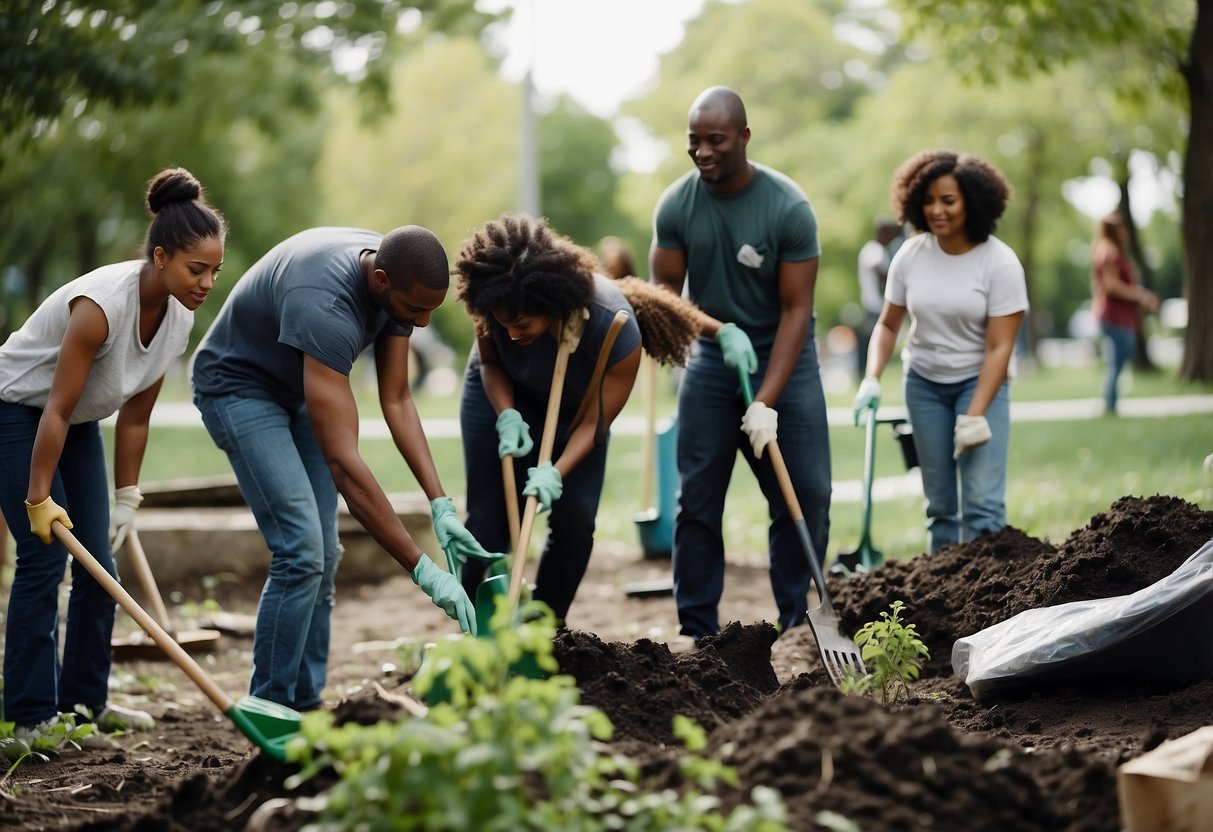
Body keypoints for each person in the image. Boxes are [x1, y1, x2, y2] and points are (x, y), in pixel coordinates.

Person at [190, 225, 497, 711]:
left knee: (325, 553)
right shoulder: (327, 305)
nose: (421, 324)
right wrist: (423, 569)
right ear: (379, 281)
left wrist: (441, 503)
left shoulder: (399, 276)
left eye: (430, 312)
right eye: (415, 310)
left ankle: (306, 701)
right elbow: (345, 466)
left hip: (300, 385)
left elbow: (396, 398)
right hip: (238, 386)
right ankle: (271, 707)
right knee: (301, 548)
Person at [0, 167, 226, 749]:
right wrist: (38, 497)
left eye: (214, 271)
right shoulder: (100, 307)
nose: (206, 283)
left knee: (99, 566)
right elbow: (51, 409)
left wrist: (128, 496)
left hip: (72, 424)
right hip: (18, 412)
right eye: (195, 270)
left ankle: (83, 705)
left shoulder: (179, 316)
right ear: (159, 259)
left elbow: (135, 415)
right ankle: (28, 718)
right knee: (44, 558)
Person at [649, 86, 831, 641]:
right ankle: (697, 632)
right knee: (697, 498)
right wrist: (717, 330)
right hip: (711, 360)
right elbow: (664, 299)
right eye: (694, 141)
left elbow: (798, 309)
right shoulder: (677, 206)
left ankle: (798, 625)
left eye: (716, 140)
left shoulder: (787, 207)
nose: (703, 151)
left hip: (785, 358)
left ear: (744, 138)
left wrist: (765, 400)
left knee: (805, 495)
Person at [453, 215, 643, 624]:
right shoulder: (492, 301)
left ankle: (545, 630)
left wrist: (555, 471)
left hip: (581, 410)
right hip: (501, 391)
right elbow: (490, 363)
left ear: (551, 302)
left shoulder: (615, 328)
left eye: (522, 324)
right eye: (504, 325)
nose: (513, 333)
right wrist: (507, 416)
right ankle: (476, 626)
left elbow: (595, 423)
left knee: (576, 519)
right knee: (488, 519)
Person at [853, 149, 1027, 554]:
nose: (936, 210)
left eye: (948, 200)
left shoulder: (999, 263)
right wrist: (871, 378)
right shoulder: (911, 256)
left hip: (981, 381)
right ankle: (943, 600)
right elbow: (888, 325)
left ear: (972, 201)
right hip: (924, 385)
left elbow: (1001, 346)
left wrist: (975, 413)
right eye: (928, 200)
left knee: (982, 505)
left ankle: (993, 598)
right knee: (941, 506)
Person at [1090, 212, 1159, 415]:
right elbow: (1111, 285)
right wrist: (1140, 295)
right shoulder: (1109, 252)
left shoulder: (1106, 250)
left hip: (1117, 316)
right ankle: (1110, 405)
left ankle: (1110, 403)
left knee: (1118, 360)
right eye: (1122, 228)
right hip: (1114, 316)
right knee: (1118, 361)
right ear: (1116, 230)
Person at [855, 219, 901, 378]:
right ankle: (867, 375)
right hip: (874, 304)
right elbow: (879, 271)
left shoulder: (877, 249)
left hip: (875, 304)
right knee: (873, 342)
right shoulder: (874, 250)